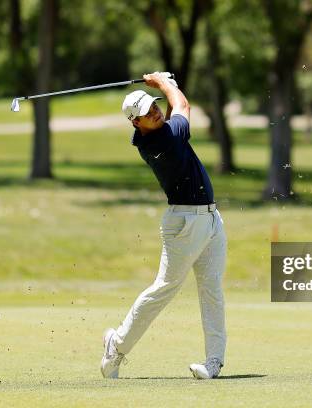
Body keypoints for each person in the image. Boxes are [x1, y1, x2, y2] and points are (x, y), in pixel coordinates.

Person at [100, 72, 227, 380]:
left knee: (211, 289)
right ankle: (116, 345)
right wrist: (163, 83)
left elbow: (172, 115)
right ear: (136, 123)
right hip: (185, 223)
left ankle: (213, 362)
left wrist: (161, 89)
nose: (154, 112)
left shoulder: (158, 133)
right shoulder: (162, 140)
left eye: (153, 106)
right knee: (164, 289)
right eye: (146, 114)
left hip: (210, 219)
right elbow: (182, 104)